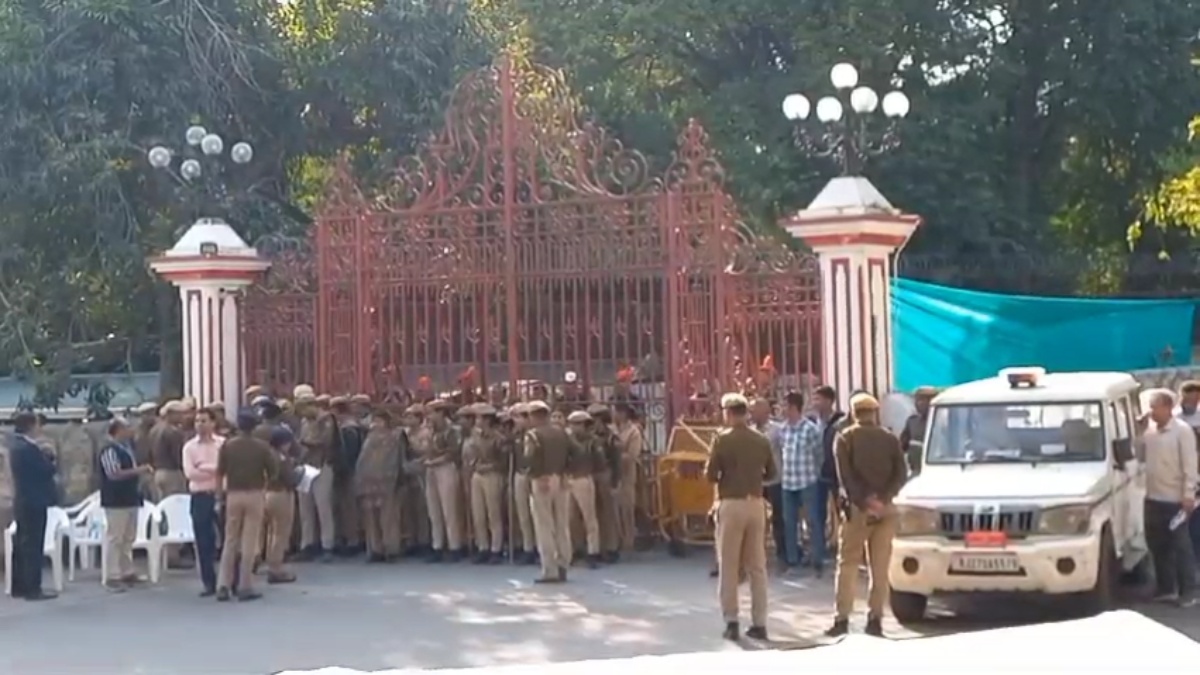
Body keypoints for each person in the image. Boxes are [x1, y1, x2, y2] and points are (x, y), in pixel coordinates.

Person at [827, 393, 907, 638]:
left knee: (848, 563)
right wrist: (882, 499)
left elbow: (846, 477)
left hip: (857, 509)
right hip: (886, 509)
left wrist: (864, 501)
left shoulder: (845, 438)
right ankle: (875, 618)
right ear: (875, 412)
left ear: (853, 412)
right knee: (880, 565)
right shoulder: (890, 438)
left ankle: (842, 618)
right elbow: (901, 473)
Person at [704, 393, 777, 641]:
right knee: (757, 566)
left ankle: (732, 620)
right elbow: (773, 473)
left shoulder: (721, 440)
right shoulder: (761, 439)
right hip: (756, 502)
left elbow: (710, 475)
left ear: (728, 412)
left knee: (729, 565)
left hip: (731, 503)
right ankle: (760, 622)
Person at [1140, 388, 1197, 607]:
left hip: (1175, 499)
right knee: (1158, 544)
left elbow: (1189, 464)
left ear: (1167, 408)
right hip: (1153, 497)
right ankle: (1166, 588)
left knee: (1181, 545)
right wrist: (1139, 430)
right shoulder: (1150, 432)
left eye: (1155, 407)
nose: (1152, 412)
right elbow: (1138, 453)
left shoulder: (1181, 431)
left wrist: (1188, 494)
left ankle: (1189, 590)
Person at [214, 410, 279, 602]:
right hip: (255, 493)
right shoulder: (261, 447)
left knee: (230, 539)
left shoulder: (228, 445)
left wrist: (219, 497)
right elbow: (273, 472)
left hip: (233, 493)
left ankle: (223, 584)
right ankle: (245, 584)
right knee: (249, 541)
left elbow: (219, 473)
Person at [8, 412, 57, 601]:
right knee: (33, 545)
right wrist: (50, 458)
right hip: (33, 499)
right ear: (30, 425)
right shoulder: (28, 448)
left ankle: (19, 585)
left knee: (22, 543)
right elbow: (45, 470)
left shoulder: (17, 445)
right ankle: (32, 587)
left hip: (23, 499)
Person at [98, 418, 151, 591]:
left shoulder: (126, 448)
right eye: (127, 427)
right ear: (118, 430)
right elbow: (113, 474)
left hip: (130, 497)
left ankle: (126, 571)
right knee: (116, 538)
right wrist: (138, 471)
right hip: (116, 500)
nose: (131, 431)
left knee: (128, 537)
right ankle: (112, 575)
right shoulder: (109, 450)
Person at [526, 399, 573, 582]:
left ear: (534, 416)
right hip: (560, 478)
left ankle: (549, 569)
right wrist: (565, 472)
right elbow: (574, 452)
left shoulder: (533, 434)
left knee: (544, 525)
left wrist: (537, 473)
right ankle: (563, 564)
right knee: (562, 524)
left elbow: (531, 458)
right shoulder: (562, 433)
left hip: (542, 479)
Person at [778, 392, 825, 575]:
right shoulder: (783, 430)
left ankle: (817, 559)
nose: (783, 410)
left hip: (807, 480)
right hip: (788, 482)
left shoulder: (810, 429)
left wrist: (815, 471)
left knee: (812, 520)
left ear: (794, 408)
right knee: (789, 522)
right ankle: (792, 560)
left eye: (786, 406)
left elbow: (818, 454)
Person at [183, 408, 225, 596]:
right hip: (200, 495)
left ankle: (229, 579)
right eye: (197, 421)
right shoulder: (189, 447)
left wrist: (207, 467)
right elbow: (191, 473)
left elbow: (226, 469)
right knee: (203, 540)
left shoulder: (222, 445)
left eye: (204, 421)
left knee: (227, 538)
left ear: (213, 423)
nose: (200, 424)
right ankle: (209, 582)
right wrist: (216, 471)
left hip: (221, 493)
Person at [356, 409, 404, 563]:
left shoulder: (395, 437)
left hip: (387, 480)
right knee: (371, 518)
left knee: (388, 517)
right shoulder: (368, 438)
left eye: (379, 421)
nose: (375, 424)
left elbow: (398, 459)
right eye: (374, 420)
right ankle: (375, 549)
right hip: (368, 482)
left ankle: (391, 548)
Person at [296, 387, 338, 562]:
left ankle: (327, 544)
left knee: (323, 506)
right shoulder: (304, 422)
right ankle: (308, 544)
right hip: (306, 466)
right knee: (305, 508)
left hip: (322, 464)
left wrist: (306, 443)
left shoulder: (326, 419)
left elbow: (326, 441)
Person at [151, 400, 190, 568]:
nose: (183, 416)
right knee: (175, 514)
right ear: (172, 414)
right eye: (180, 413)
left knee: (163, 514)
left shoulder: (154, 430)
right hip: (173, 473)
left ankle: (164, 552)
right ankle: (173, 556)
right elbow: (178, 457)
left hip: (158, 472)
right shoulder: (173, 432)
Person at [424, 400, 464, 562]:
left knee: (449, 509)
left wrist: (435, 461)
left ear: (441, 413)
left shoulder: (452, 431)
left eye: (432, 412)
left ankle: (454, 546)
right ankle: (437, 545)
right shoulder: (431, 431)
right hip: (431, 468)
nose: (429, 416)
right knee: (434, 510)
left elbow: (453, 452)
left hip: (446, 467)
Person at [810, 385, 844, 567]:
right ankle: (819, 552)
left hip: (836, 473)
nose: (816, 403)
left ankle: (843, 546)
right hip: (816, 473)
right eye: (815, 399)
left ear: (830, 401)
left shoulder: (840, 421)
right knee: (817, 514)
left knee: (842, 511)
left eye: (819, 399)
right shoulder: (811, 422)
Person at [469, 405, 507, 564]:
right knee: (478, 514)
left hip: (492, 474)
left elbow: (503, 462)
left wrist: (490, 466)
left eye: (480, 418)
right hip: (478, 473)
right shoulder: (475, 437)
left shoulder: (499, 438)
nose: (477, 421)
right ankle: (482, 546)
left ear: (487, 420)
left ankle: (496, 548)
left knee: (494, 513)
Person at [263, 424, 300, 583]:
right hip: (281, 494)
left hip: (267, 493)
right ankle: (276, 567)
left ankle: (270, 562)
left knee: (271, 532)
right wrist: (298, 473)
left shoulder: (267, 455)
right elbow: (289, 479)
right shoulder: (282, 458)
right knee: (281, 532)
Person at [565, 410, 601, 568]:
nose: (575, 427)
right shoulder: (567, 441)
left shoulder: (592, 441)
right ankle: (575, 548)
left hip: (584, 478)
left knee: (589, 517)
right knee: (570, 518)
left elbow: (599, 461)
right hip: (569, 479)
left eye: (578, 424)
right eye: (573, 424)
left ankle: (593, 551)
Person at [587, 403, 622, 563]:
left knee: (608, 513)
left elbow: (616, 461)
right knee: (592, 513)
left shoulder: (610, 437)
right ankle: (596, 547)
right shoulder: (588, 436)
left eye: (596, 418)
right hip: (590, 473)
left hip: (604, 473)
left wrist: (615, 481)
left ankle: (611, 547)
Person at [508, 403, 538, 565]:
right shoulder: (516, 436)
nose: (516, 421)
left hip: (534, 475)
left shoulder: (534, 434)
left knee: (537, 514)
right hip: (520, 474)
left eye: (519, 417)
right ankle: (528, 547)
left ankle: (540, 548)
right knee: (523, 514)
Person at [613, 402, 644, 553]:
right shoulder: (612, 429)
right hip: (613, 474)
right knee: (615, 508)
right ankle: (617, 539)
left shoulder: (634, 432)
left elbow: (632, 455)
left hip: (627, 474)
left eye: (616, 412)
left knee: (627, 508)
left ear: (623, 413)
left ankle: (629, 539)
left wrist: (615, 455)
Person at [900, 386, 937, 476]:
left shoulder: (942, 422)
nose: (919, 404)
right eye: (917, 400)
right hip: (916, 470)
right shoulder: (912, 422)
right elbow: (901, 447)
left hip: (936, 470)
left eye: (923, 400)